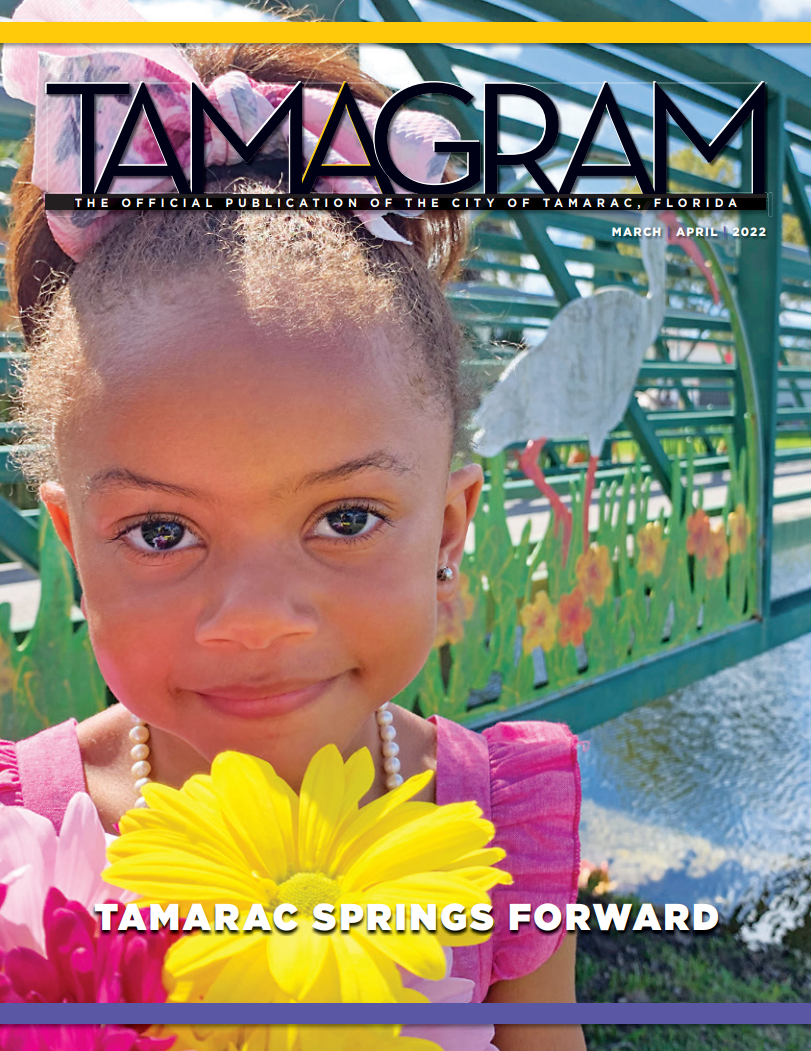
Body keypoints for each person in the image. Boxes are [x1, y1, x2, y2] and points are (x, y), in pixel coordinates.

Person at [0, 7, 584, 1044]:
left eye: (346, 517)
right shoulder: (22, 842)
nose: (256, 618)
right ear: (74, 544)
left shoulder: (501, 831)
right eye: (162, 531)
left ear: (448, 530)